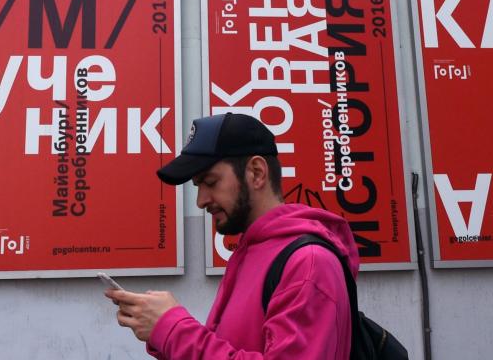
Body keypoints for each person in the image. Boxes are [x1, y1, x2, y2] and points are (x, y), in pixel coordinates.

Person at [106, 112, 359, 359]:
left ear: (257, 172)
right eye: (198, 186)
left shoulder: (309, 263)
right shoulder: (251, 250)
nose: (201, 200)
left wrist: (173, 331)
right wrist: (161, 332)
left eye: (211, 182)